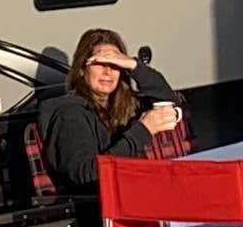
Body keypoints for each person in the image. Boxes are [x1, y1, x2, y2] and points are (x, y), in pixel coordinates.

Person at [35, 28, 185, 215]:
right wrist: (143, 130)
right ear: (82, 69)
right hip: (102, 214)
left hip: (140, 199)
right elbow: (85, 174)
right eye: (100, 64)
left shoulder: (123, 105)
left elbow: (169, 101)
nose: (108, 72)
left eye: (114, 65)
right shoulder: (70, 115)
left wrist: (134, 66)